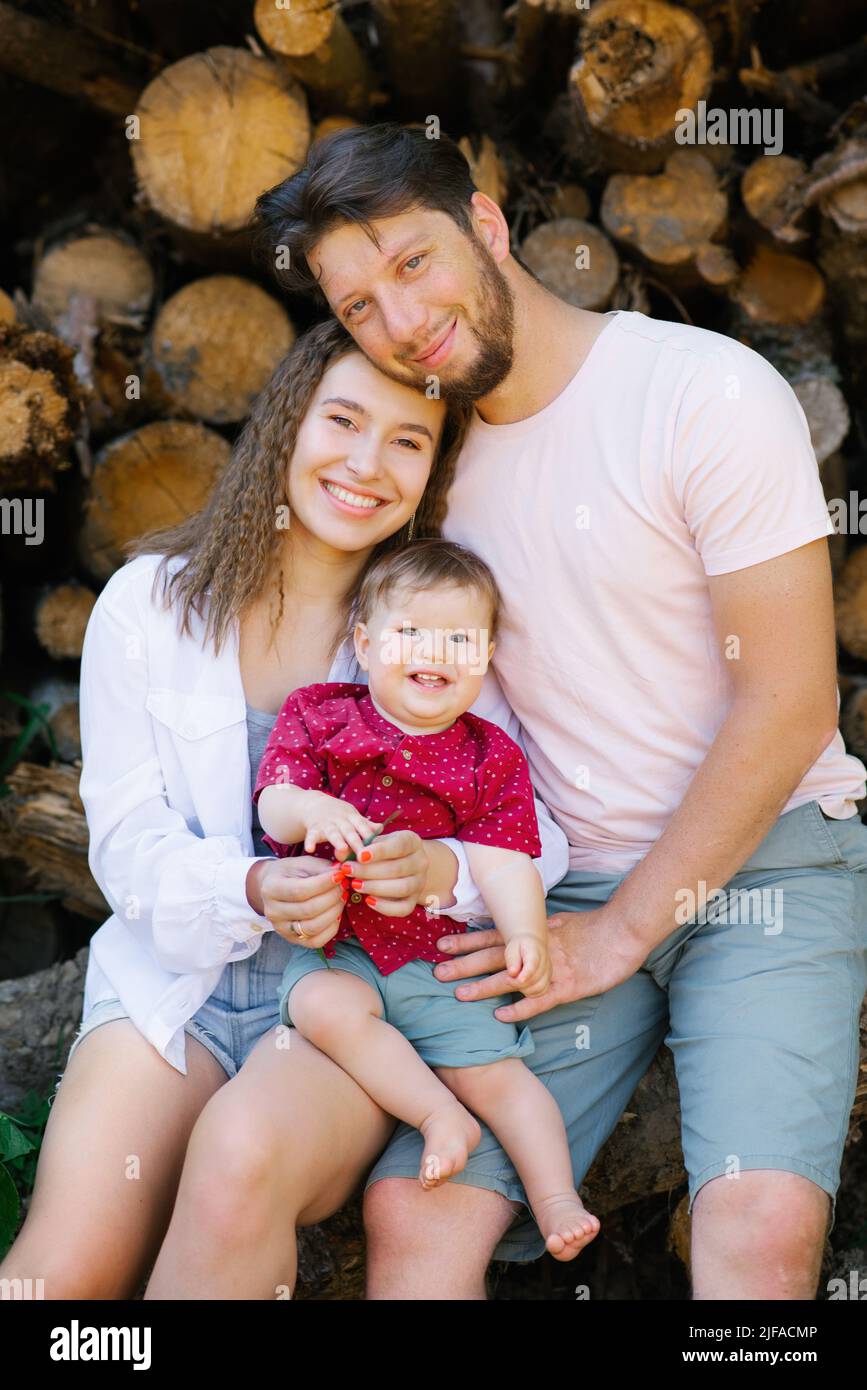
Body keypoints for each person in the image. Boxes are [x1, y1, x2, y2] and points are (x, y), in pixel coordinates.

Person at [251, 122, 867, 1300]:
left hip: (770, 855)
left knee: (761, 1224)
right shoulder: (418, 473)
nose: (401, 318)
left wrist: (624, 931)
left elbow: (790, 702)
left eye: (413, 261)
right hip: (559, 880)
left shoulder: (703, 392)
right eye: (360, 304)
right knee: (414, 1217)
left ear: (486, 223)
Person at [0, 315, 569, 1299]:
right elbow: (130, 849)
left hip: (354, 1000)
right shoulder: (149, 606)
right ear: (287, 425)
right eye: (342, 420)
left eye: (407, 440)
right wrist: (255, 882)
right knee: (54, 1279)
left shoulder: (436, 627)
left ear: (433, 470)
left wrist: (444, 871)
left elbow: (534, 835)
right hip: (173, 984)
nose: (366, 463)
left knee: (238, 1157)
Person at [256, 540, 600, 1260]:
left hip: (434, 957)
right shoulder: (321, 717)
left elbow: (507, 861)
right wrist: (310, 811)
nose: (432, 652)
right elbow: (274, 802)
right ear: (364, 642)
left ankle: (553, 1196)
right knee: (317, 1008)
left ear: (486, 655)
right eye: (409, 632)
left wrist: (526, 936)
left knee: (502, 1080)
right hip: (341, 948)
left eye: (457, 639)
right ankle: (439, 1115)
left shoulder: (489, 755)